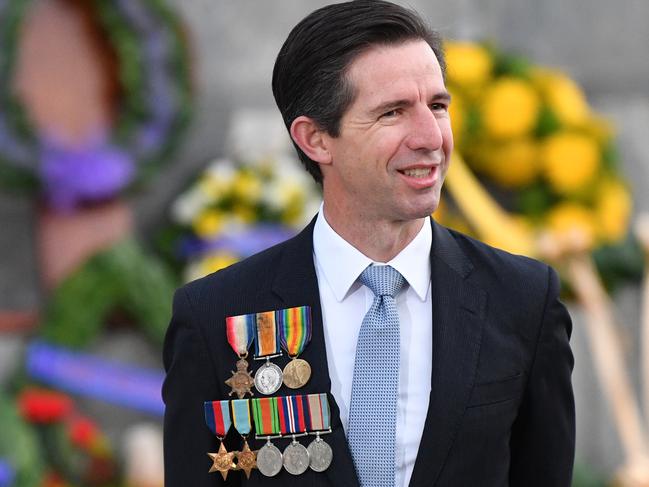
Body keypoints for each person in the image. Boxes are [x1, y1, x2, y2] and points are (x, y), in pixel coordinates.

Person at [162, 1, 575, 486]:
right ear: (316, 139)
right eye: (392, 112)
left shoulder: (523, 299)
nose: (430, 136)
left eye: (438, 106)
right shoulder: (217, 315)